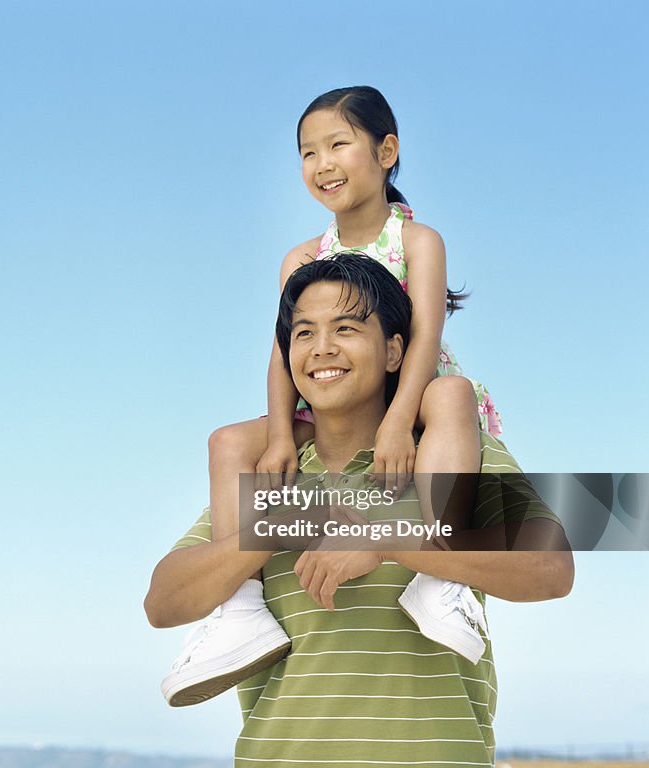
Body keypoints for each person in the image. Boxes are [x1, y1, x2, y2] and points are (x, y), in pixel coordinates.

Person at [145, 253, 574, 765]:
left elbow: (550, 569)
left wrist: (386, 541)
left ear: (395, 352)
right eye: (303, 333)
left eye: (345, 328)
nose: (322, 348)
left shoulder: (455, 454)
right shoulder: (266, 474)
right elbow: (163, 603)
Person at [160, 86, 501, 706]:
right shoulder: (301, 257)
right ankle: (240, 611)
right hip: (327, 407)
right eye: (307, 152)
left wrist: (400, 423)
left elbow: (423, 339)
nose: (322, 164)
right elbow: (281, 358)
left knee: (450, 393)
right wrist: (283, 436)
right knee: (230, 439)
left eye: (338, 144)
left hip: (412, 394)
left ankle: (438, 573)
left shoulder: (418, 241)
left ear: (386, 151)